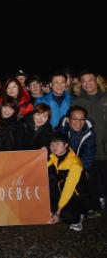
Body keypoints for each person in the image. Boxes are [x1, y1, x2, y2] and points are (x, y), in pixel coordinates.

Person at [72, 71, 107, 213]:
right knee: (93, 181)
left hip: (106, 148)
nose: (87, 84)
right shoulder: (77, 102)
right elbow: (74, 125)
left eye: (90, 80)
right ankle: (98, 203)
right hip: (89, 150)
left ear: (97, 81)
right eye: (83, 81)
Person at [48, 132, 87, 231]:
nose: (54, 147)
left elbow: (68, 189)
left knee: (67, 216)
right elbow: (42, 166)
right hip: (62, 187)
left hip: (77, 195)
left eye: (58, 144)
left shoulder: (75, 165)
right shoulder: (56, 156)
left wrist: (58, 212)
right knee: (47, 181)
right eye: (52, 144)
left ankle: (79, 217)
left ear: (66, 145)